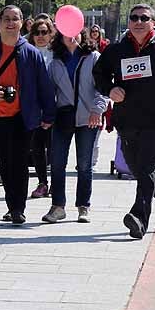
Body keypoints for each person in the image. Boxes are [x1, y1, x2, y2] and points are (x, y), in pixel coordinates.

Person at [92, 4, 155, 239]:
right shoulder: (117, 49)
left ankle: (138, 218)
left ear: (153, 23)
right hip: (126, 118)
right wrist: (110, 89)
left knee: (146, 168)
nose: (138, 22)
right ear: (129, 22)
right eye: (134, 18)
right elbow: (99, 74)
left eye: (144, 18)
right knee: (136, 168)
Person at [0, 5, 56, 224]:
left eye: (15, 19)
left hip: (23, 115)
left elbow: (44, 86)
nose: (10, 23)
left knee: (19, 160)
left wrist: (48, 114)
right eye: (6, 19)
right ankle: (12, 204)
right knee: (4, 160)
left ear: (22, 23)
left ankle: (18, 208)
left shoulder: (31, 53)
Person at [42, 28, 108, 223]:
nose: (71, 36)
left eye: (75, 32)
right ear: (60, 37)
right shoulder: (55, 62)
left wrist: (97, 109)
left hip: (88, 117)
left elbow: (103, 87)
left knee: (85, 164)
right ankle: (57, 207)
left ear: (82, 34)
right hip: (63, 117)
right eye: (66, 32)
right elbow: (49, 92)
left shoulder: (93, 57)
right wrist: (47, 115)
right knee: (57, 163)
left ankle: (83, 206)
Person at [27, 15, 56, 199]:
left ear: (50, 34)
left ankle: (56, 183)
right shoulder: (27, 52)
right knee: (37, 147)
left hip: (55, 106)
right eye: (36, 33)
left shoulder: (57, 53)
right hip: (34, 108)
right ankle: (42, 182)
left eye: (44, 32)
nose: (40, 36)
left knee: (55, 148)